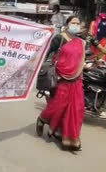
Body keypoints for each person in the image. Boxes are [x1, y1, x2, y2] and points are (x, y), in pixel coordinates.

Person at [36, 16, 85, 152]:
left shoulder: (81, 41)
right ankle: (42, 119)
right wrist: (41, 66)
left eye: (77, 23)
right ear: (67, 24)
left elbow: (82, 57)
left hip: (77, 79)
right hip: (60, 77)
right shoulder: (60, 38)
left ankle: (69, 139)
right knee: (57, 106)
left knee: (76, 109)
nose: (75, 25)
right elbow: (47, 52)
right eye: (72, 23)